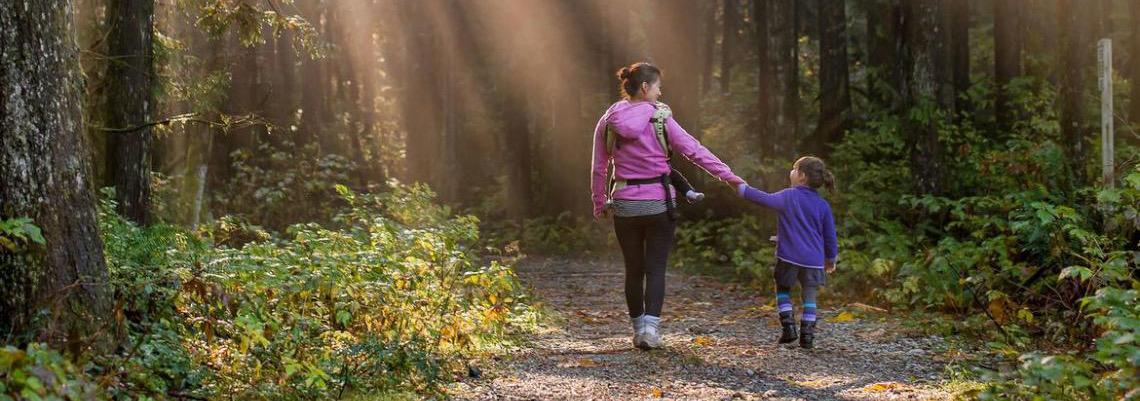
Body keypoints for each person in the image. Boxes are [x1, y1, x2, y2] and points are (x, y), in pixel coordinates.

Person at [590, 62, 744, 349]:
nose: (660, 93)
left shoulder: (609, 119)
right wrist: (729, 177)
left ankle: (638, 331)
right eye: (658, 87)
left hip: (625, 204)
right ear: (645, 87)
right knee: (655, 269)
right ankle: (651, 331)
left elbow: (599, 167)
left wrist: (600, 202)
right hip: (659, 204)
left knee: (633, 270)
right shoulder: (661, 118)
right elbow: (694, 151)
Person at [736, 156, 838, 349]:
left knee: (782, 289)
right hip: (813, 260)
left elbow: (764, 199)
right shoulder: (823, 205)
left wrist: (742, 189)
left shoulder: (789, 196)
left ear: (802, 176)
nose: (791, 172)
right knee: (809, 296)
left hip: (789, 257)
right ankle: (807, 336)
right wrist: (830, 259)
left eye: (794, 169)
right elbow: (830, 236)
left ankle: (789, 327)